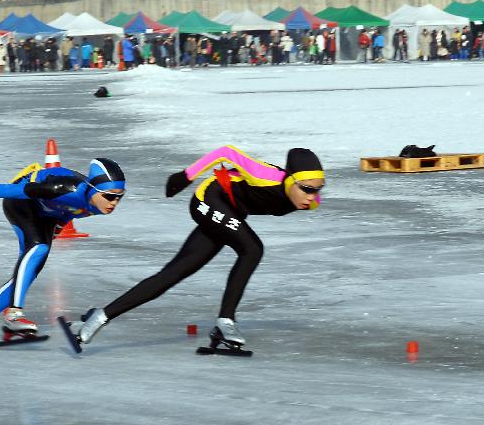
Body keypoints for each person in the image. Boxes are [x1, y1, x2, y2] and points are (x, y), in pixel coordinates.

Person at [71, 146, 325, 351]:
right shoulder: (266, 176)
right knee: (252, 249)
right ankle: (225, 321)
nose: (312, 197)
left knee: (174, 273)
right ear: (290, 180)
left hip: (231, 212)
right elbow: (225, 152)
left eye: (317, 190)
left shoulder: (310, 200)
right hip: (209, 199)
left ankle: (101, 316)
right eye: (306, 189)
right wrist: (185, 176)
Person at [0, 157, 127, 344]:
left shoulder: (98, 203)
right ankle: (14, 314)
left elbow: (71, 210)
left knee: (30, 270)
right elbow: (11, 190)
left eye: (120, 196)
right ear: (93, 189)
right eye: (110, 196)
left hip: (49, 214)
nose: (114, 202)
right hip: (22, 202)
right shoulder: (63, 188)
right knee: (37, 250)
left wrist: (58, 227)